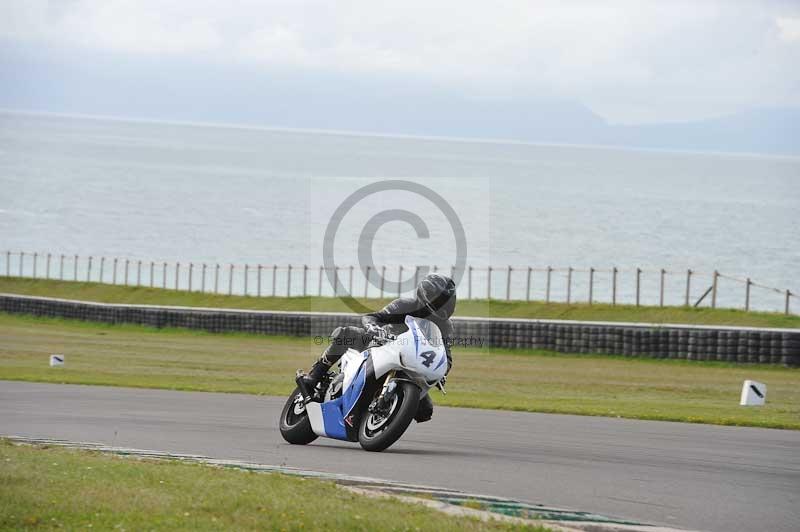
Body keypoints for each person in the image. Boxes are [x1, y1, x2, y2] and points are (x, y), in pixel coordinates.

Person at [301, 272, 456, 422]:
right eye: (441, 301)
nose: (444, 306)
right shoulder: (405, 305)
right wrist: (375, 328)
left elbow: (445, 355)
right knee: (346, 334)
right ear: (426, 296)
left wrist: (442, 372)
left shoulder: (445, 327)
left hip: (410, 363)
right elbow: (373, 317)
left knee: (425, 411)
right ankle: (315, 375)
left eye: (447, 302)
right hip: (380, 344)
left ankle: (384, 414)